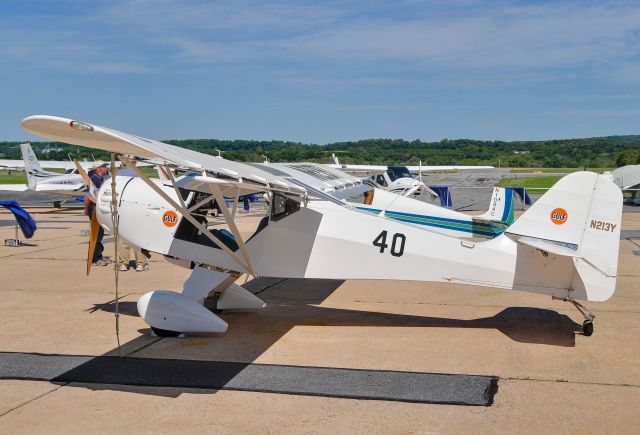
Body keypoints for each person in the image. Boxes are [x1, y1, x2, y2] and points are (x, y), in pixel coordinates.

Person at [116, 161, 150, 272]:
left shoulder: (118, 174)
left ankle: (123, 264)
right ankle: (140, 263)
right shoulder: (139, 174)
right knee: (138, 238)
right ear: (134, 162)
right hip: (137, 209)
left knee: (123, 238)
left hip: (122, 209)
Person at [84, 162, 111, 266]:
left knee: (99, 234)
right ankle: (94, 258)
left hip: (98, 208)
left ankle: (98, 255)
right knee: (96, 234)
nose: (106, 168)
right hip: (94, 209)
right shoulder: (94, 179)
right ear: (98, 168)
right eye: (104, 166)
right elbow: (88, 195)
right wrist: (87, 208)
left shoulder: (99, 179)